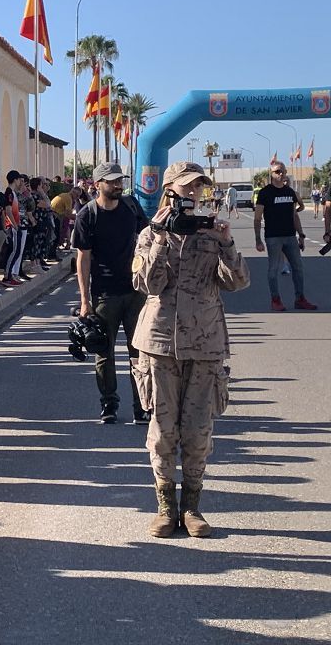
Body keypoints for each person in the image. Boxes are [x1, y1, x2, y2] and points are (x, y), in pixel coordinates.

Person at [132, 161, 250, 538]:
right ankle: (166, 507)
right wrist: (162, 235)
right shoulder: (150, 234)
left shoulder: (211, 232)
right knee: (164, 431)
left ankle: (193, 508)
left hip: (205, 344)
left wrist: (226, 243)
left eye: (198, 188)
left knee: (198, 433)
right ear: (169, 191)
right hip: (160, 343)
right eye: (186, 189)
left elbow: (238, 283)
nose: (193, 194)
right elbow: (145, 283)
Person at [72, 162, 150, 424]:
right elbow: (83, 259)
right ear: (98, 185)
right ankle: (109, 404)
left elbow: (148, 238)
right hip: (105, 294)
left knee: (138, 351)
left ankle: (142, 405)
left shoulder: (131, 207)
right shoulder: (88, 215)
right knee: (104, 351)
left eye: (120, 180)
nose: (118, 185)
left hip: (136, 291)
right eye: (112, 181)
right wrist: (84, 301)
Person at [254, 161, 316, 311]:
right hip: (273, 238)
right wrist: (258, 240)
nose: (280, 174)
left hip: (290, 236)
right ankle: (275, 299)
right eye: (277, 172)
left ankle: (300, 299)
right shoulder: (265, 193)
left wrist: (301, 234)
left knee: (298, 268)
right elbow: (257, 218)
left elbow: (294, 215)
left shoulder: (290, 192)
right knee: (273, 269)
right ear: (272, 174)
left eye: (282, 171)